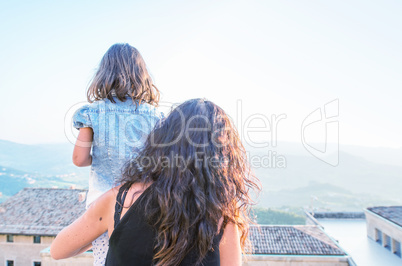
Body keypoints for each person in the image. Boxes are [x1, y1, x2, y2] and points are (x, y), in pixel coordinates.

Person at [52, 99, 260, 266]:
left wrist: (107, 232)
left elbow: (58, 250)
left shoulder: (120, 200)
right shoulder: (223, 217)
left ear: (163, 141)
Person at [71, 43, 163, 265]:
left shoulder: (92, 113)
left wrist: (101, 158)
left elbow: (79, 159)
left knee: (105, 260)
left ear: (103, 74)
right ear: (142, 76)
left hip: (102, 206)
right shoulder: (156, 117)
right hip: (145, 206)